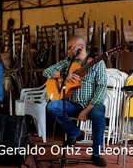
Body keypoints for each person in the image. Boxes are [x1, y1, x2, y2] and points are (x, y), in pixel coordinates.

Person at [43, 36, 107, 167]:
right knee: (52, 106)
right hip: (73, 104)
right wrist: (65, 74)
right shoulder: (68, 62)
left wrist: (86, 110)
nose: (68, 51)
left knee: (98, 114)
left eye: (70, 48)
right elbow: (46, 72)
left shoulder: (97, 63)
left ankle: (96, 154)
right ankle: (76, 133)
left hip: (92, 105)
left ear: (81, 47)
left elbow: (101, 88)